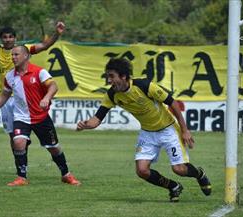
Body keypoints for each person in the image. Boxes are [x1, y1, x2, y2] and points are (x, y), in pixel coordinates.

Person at [76, 58, 211, 202]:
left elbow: (172, 102)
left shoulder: (145, 86)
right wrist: (86, 125)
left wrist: (185, 130)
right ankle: (173, 186)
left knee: (179, 169)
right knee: (142, 171)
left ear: (123, 76)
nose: (109, 80)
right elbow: (97, 119)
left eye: (111, 76)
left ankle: (199, 174)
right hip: (147, 133)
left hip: (168, 129)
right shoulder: (112, 94)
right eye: (107, 76)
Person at [0, 45, 80, 186]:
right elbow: (4, 94)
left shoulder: (39, 72)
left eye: (16, 54)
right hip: (21, 117)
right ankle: (21, 177)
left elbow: (53, 86)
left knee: (53, 147)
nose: (13, 57)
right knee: (18, 142)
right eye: (12, 55)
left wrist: (46, 98)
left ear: (26, 56)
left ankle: (66, 174)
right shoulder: (10, 76)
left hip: (41, 118)